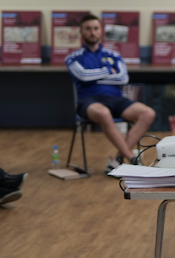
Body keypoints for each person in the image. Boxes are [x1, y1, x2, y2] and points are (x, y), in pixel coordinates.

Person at [66, 14, 156, 174]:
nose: (92, 32)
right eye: (88, 29)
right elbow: (83, 76)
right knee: (104, 113)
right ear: (81, 32)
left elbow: (122, 77)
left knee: (148, 113)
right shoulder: (73, 58)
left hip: (116, 98)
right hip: (88, 101)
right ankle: (132, 159)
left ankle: (117, 160)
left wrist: (94, 77)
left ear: (101, 31)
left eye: (95, 28)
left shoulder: (114, 55)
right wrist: (108, 71)